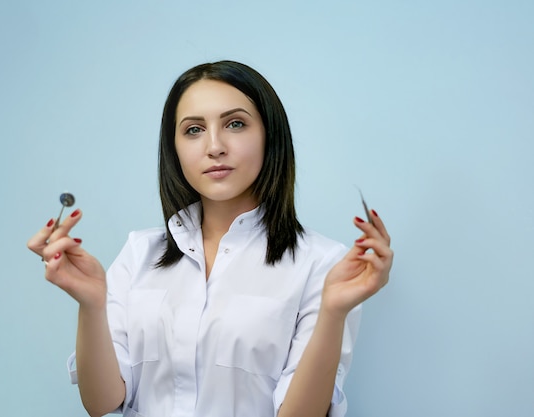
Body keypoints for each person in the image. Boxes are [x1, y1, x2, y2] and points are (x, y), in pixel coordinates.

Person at [27, 60, 393, 417]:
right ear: (175, 148)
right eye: (193, 130)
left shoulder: (322, 263)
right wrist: (91, 305)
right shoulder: (139, 252)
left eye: (235, 124)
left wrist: (333, 312)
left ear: (270, 136)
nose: (214, 146)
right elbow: (102, 403)